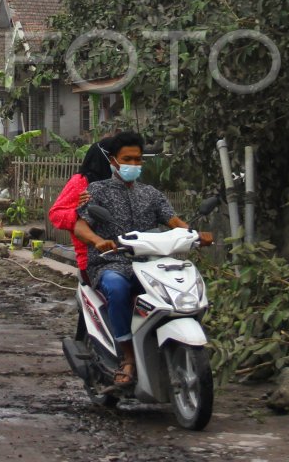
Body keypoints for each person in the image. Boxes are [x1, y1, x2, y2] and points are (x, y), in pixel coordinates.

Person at [73, 131, 212, 391]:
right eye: (128, 159)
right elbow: (82, 226)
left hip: (150, 263)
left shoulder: (151, 194)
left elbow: (174, 222)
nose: (133, 165)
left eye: (138, 160)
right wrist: (97, 241)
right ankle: (127, 356)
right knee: (117, 287)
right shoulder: (96, 191)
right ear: (113, 161)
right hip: (111, 262)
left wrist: (194, 234)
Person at [47, 133, 128, 275]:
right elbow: (55, 214)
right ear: (106, 158)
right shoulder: (82, 181)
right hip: (93, 258)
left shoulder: (125, 183)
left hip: (126, 255)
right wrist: (81, 213)